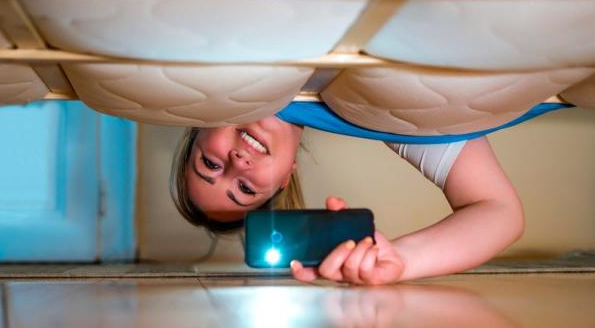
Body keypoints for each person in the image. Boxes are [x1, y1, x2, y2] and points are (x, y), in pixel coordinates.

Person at [171, 99, 565, 285]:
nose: (237, 163)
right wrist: (399, 260)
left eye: (210, 164)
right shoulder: (388, 116)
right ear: (285, 178)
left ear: (199, 126)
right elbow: (499, 211)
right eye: (243, 188)